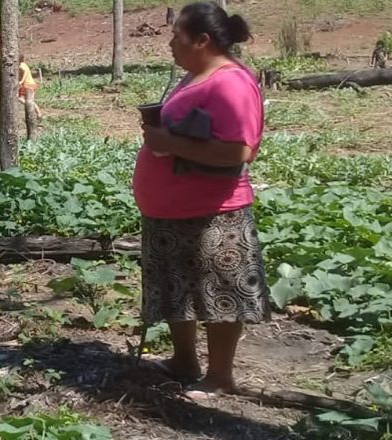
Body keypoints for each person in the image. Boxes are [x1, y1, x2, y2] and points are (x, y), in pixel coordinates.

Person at [132, 1, 268, 399]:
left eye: (177, 35)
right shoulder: (196, 75)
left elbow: (238, 151)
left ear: (203, 40)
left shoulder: (230, 83)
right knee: (179, 289)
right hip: (172, 211)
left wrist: (168, 143)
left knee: (218, 294)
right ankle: (184, 361)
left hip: (212, 214)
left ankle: (221, 376)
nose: (170, 43)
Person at [18, 54, 42, 118]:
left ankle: (37, 111)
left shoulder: (21, 66)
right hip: (32, 84)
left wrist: (21, 81)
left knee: (20, 98)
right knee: (30, 100)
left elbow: (25, 72)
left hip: (27, 85)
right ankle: (37, 114)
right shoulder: (24, 64)